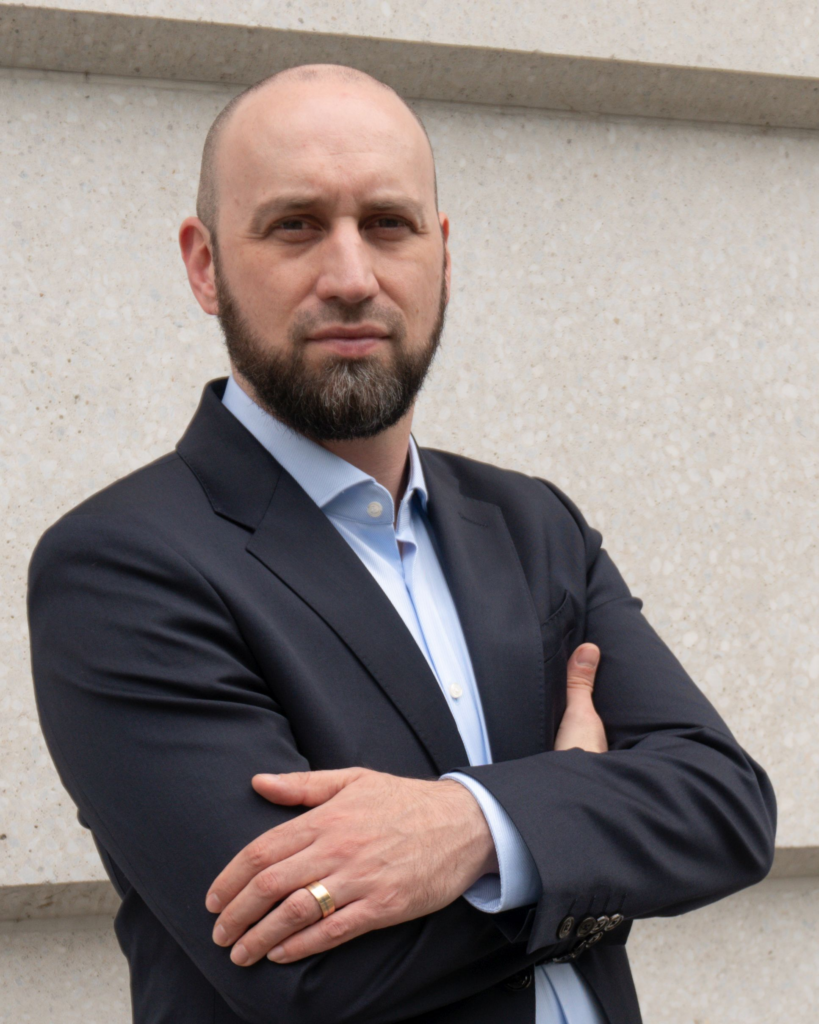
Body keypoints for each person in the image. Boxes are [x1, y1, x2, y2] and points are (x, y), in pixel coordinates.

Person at [27, 64, 776, 1024]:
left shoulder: (531, 523)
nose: (351, 278)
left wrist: (469, 828)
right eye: (295, 225)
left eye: (388, 224)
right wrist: (578, 824)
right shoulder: (120, 565)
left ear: (442, 255)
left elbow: (725, 810)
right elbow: (308, 973)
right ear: (205, 265)